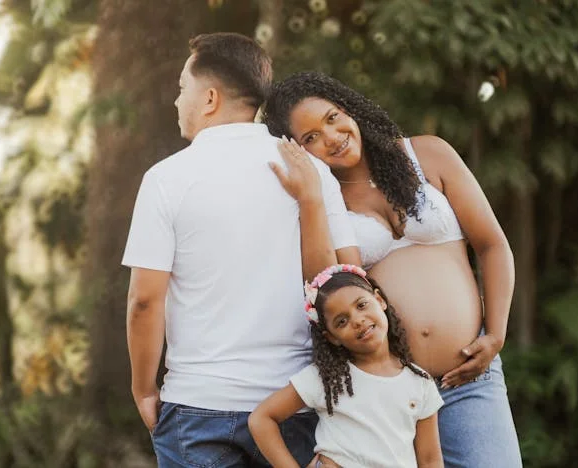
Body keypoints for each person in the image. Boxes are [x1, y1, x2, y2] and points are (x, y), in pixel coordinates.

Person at [263, 71, 522, 467]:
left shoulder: (428, 154)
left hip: (469, 375)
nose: (331, 137)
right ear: (297, 150)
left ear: (350, 109)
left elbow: (492, 244)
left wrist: (497, 334)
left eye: (332, 118)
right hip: (385, 392)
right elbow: (330, 286)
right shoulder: (324, 202)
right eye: (310, 137)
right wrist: (312, 199)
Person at [122, 36, 359, 468]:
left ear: (209, 98)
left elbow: (144, 301)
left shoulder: (166, 179)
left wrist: (143, 389)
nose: (177, 101)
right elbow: (344, 281)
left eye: (182, 89)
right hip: (294, 406)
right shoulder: (312, 172)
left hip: (197, 408)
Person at [248, 264, 444, 468]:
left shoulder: (420, 382)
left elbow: (430, 459)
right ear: (332, 337)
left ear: (379, 300)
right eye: (342, 321)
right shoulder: (328, 378)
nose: (358, 320)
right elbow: (261, 418)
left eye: (361, 305)